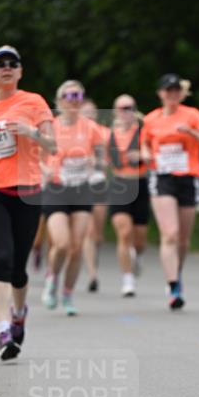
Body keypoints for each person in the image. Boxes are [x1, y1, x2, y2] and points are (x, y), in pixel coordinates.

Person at [0, 45, 55, 359]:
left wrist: (31, 132)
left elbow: (53, 145)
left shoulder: (33, 102)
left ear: (20, 71)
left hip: (28, 191)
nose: (6, 67)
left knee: (18, 269)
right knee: (1, 258)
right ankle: (3, 329)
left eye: (13, 63)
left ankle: (18, 312)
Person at [141, 73, 199, 309]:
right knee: (170, 234)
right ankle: (174, 285)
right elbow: (145, 145)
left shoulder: (193, 115)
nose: (172, 94)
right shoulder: (151, 119)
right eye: (168, 90)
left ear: (181, 93)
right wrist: (146, 155)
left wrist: (192, 133)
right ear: (160, 94)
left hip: (188, 178)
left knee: (183, 240)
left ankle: (176, 273)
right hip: (162, 178)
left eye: (176, 90)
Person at [41, 80, 105, 315]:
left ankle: (67, 294)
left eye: (78, 96)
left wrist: (94, 163)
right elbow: (35, 156)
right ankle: (52, 277)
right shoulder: (50, 128)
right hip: (56, 188)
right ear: (59, 101)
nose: (74, 100)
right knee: (62, 243)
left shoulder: (91, 128)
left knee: (77, 247)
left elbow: (102, 160)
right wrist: (44, 169)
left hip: (81, 188)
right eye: (69, 96)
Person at [107, 94, 149, 297]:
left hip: (140, 183)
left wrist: (143, 155)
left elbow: (154, 154)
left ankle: (138, 255)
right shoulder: (108, 134)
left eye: (129, 107)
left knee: (139, 239)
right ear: (115, 111)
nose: (126, 111)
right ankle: (127, 279)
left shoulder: (144, 132)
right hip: (118, 184)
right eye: (122, 108)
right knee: (124, 234)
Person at [80, 98, 110, 292]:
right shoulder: (72, 133)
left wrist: (97, 162)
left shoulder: (104, 134)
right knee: (89, 231)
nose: (89, 116)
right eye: (85, 112)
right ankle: (92, 274)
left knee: (98, 233)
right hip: (80, 184)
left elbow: (110, 162)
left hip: (98, 182)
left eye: (92, 112)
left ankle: (94, 260)